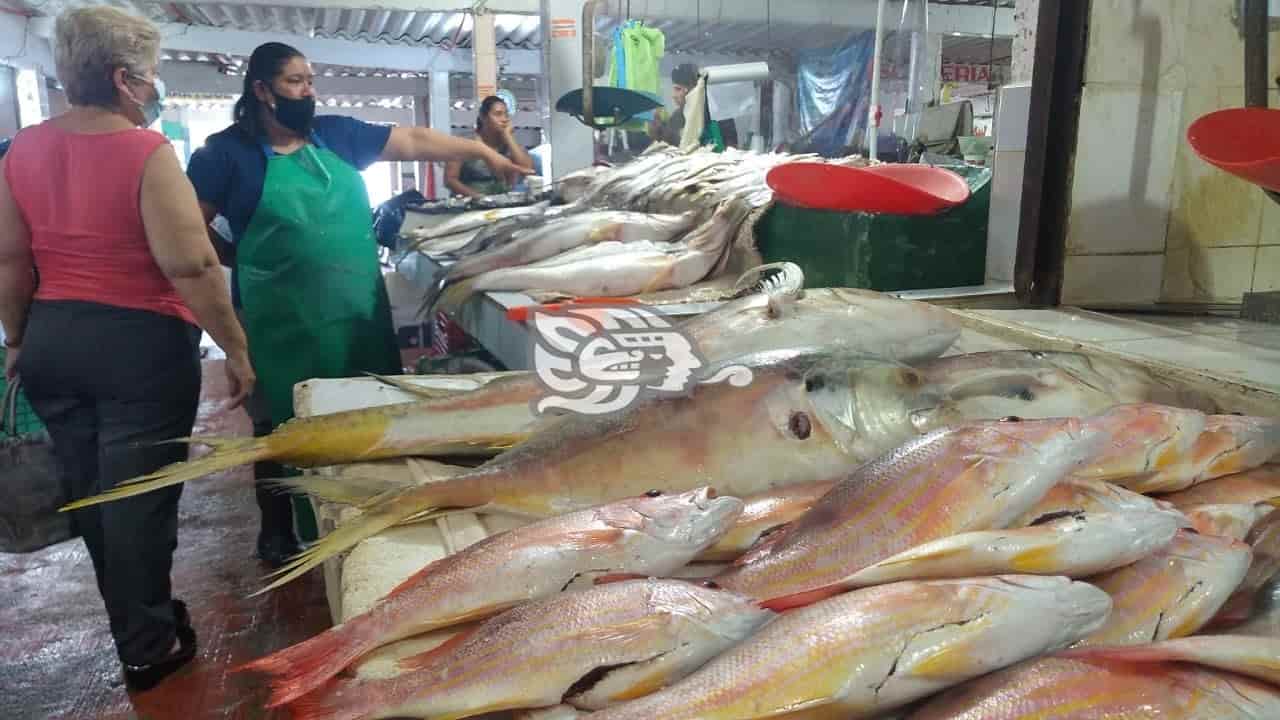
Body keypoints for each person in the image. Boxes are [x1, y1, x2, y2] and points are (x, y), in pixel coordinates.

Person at [186, 42, 529, 568]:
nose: (309, 91)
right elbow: (189, 229)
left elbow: (412, 140)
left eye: (310, 80)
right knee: (281, 426)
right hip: (279, 322)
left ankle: (364, 520)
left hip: (356, 312)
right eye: (296, 82)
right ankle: (281, 532)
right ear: (261, 90)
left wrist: (479, 151)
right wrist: (230, 256)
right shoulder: (223, 155)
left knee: (367, 415)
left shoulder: (336, 134)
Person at [0, 6, 255, 691]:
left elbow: (10, 260)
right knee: (140, 500)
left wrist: (18, 339)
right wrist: (234, 347)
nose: (154, 84)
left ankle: (141, 617)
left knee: (91, 494)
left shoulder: (22, 148)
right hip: (137, 344)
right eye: (148, 73)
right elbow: (193, 265)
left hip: (54, 335)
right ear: (123, 78)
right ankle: (147, 645)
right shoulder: (145, 152)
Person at [445, 95, 534, 198]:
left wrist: (508, 136)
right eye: (498, 114)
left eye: (506, 115)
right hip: (469, 204)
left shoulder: (508, 144)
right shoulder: (464, 142)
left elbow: (528, 169)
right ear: (483, 117)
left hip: (501, 203)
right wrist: (479, 197)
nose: (504, 119)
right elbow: (450, 180)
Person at [651, 63, 699, 146]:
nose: (673, 96)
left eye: (678, 89)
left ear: (693, 89)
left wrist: (666, 133)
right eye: (674, 89)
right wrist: (658, 132)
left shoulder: (707, 115)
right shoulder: (677, 116)